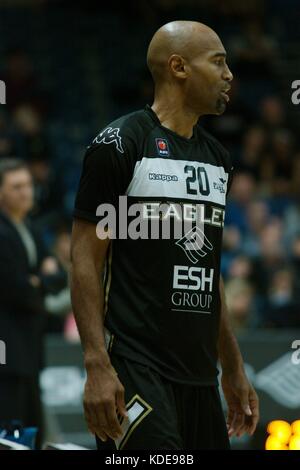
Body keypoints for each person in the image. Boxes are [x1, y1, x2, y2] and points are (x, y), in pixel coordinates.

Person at [71, 20, 259, 450]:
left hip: (198, 373)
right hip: (133, 366)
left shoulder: (218, 158)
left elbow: (209, 273)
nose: (229, 75)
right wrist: (96, 364)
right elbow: (84, 257)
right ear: (178, 67)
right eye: (218, 62)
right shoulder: (119, 144)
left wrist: (232, 366)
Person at [0, 159, 47, 448]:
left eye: (28, 185)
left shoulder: (30, 227)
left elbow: (56, 276)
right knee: (12, 433)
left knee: (32, 428)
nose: (25, 192)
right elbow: (16, 290)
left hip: (28, 345)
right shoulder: (2, 232)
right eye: (16, 187)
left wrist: (38, 281)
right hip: (6, 349)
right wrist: (40, 280)